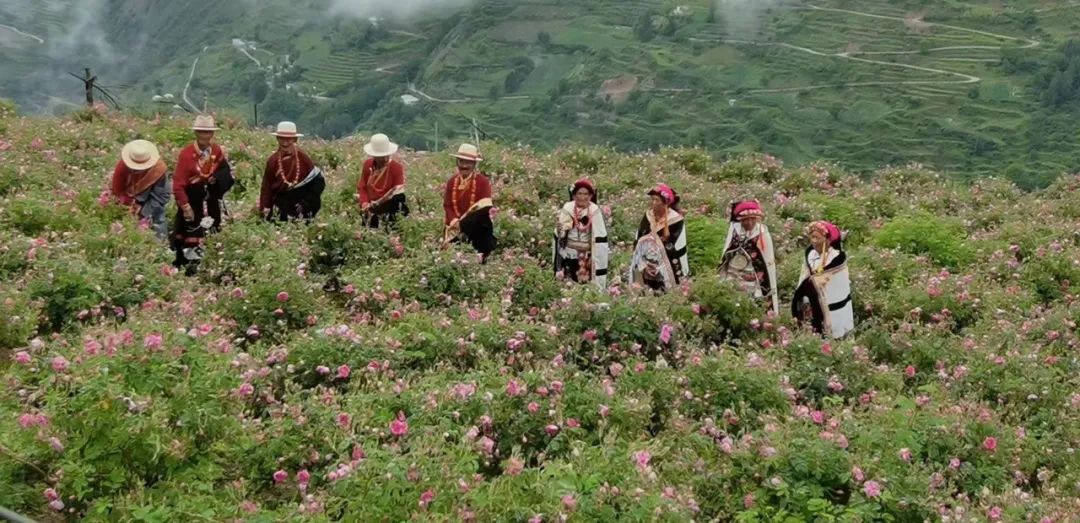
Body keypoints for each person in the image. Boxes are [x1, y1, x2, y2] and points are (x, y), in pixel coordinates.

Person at [172, 115, 234, 267]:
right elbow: (178, 183)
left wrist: (216, 179)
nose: (204, 136)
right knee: (191, 236)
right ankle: (189, 269)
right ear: (196, 133)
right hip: (192, 202)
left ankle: (209, 267)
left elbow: (225, 172)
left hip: (210, 202)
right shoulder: (186, 154)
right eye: (201, 132)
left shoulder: (216, 151)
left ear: (212, 134)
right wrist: (185, 206)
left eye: (207, 132)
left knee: (211, 236)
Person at [792, 220, 855, 339]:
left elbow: (835, 283)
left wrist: (812, 284)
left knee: (832, 331)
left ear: (827, 240)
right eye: (812, 237)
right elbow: (804, 276)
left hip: (829, 302)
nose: (814, 241)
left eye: (817, 238)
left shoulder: (836, 259)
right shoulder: (810, 254)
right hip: (811, 302)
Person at [719, 200, 778, 314]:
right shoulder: (735, 230)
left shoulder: (762, 234)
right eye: (746, 220)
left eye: (753, 219)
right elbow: (728, 249)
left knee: (751, 302)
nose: (750, 223)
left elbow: (766, 261)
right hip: (733, 272)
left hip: (752, 276)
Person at [628, 183, 688, 292]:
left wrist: (658, 265)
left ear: (666, 203)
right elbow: (639, 240)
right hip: (645, 265)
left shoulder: (675, 220)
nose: (654, 203)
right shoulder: (648, 216)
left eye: (657, 200)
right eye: (652, 199)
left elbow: (675, 248)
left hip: (665, 267)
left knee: (664, 292)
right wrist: (644, 264)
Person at [260, 121, 325, 222]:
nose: (285, 143)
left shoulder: (303, 159)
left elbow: (318, 183)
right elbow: (266, 187)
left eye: (288, 139)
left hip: (302, 208)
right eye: (282, 139)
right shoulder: (272, 161)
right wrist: (264, 209)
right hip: (281, 207)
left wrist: (305, 204)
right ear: (277, 139)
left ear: (295, 140)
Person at [442, 143, 496, 262]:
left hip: (477, 229)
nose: (464, 165)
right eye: (461, 161)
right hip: (454, 226)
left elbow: (483, 208)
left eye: (468, 162)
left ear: (474, 164)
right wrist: (454, 221)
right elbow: (448, 205)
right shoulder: (451, 182)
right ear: (457, 162)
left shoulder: (483, 182)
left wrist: (463, 225)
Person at [553, 179, 609, 290]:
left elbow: (600, 235)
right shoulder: (568, 208)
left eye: (586, 194)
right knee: (568, 285)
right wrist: (561, 230)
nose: (582, 197)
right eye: (579, 193)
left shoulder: (594, 210)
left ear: (591, 196)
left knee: (585, 285)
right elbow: (561, 232)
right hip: (569, 253)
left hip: (587, 256)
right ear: (574, 196)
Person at [112, 140, 171, 240]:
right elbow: (117, 190)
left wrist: (144, 212)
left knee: (157, 217)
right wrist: (130, 203)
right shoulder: (123, 166)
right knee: (123, 220)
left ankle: (160, 243)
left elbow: (161, 196)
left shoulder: (158, 169)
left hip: (152, 197)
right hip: (130, 197)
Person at [357, 133, 408, 228]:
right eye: (381, 156)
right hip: (370, 207)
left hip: (389, 206)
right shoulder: (368, 165)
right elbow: (362, 187)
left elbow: (397, 191)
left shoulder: (396, 168)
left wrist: (379, 202)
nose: (385, 159)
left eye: (386, 155)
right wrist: (364, 203)